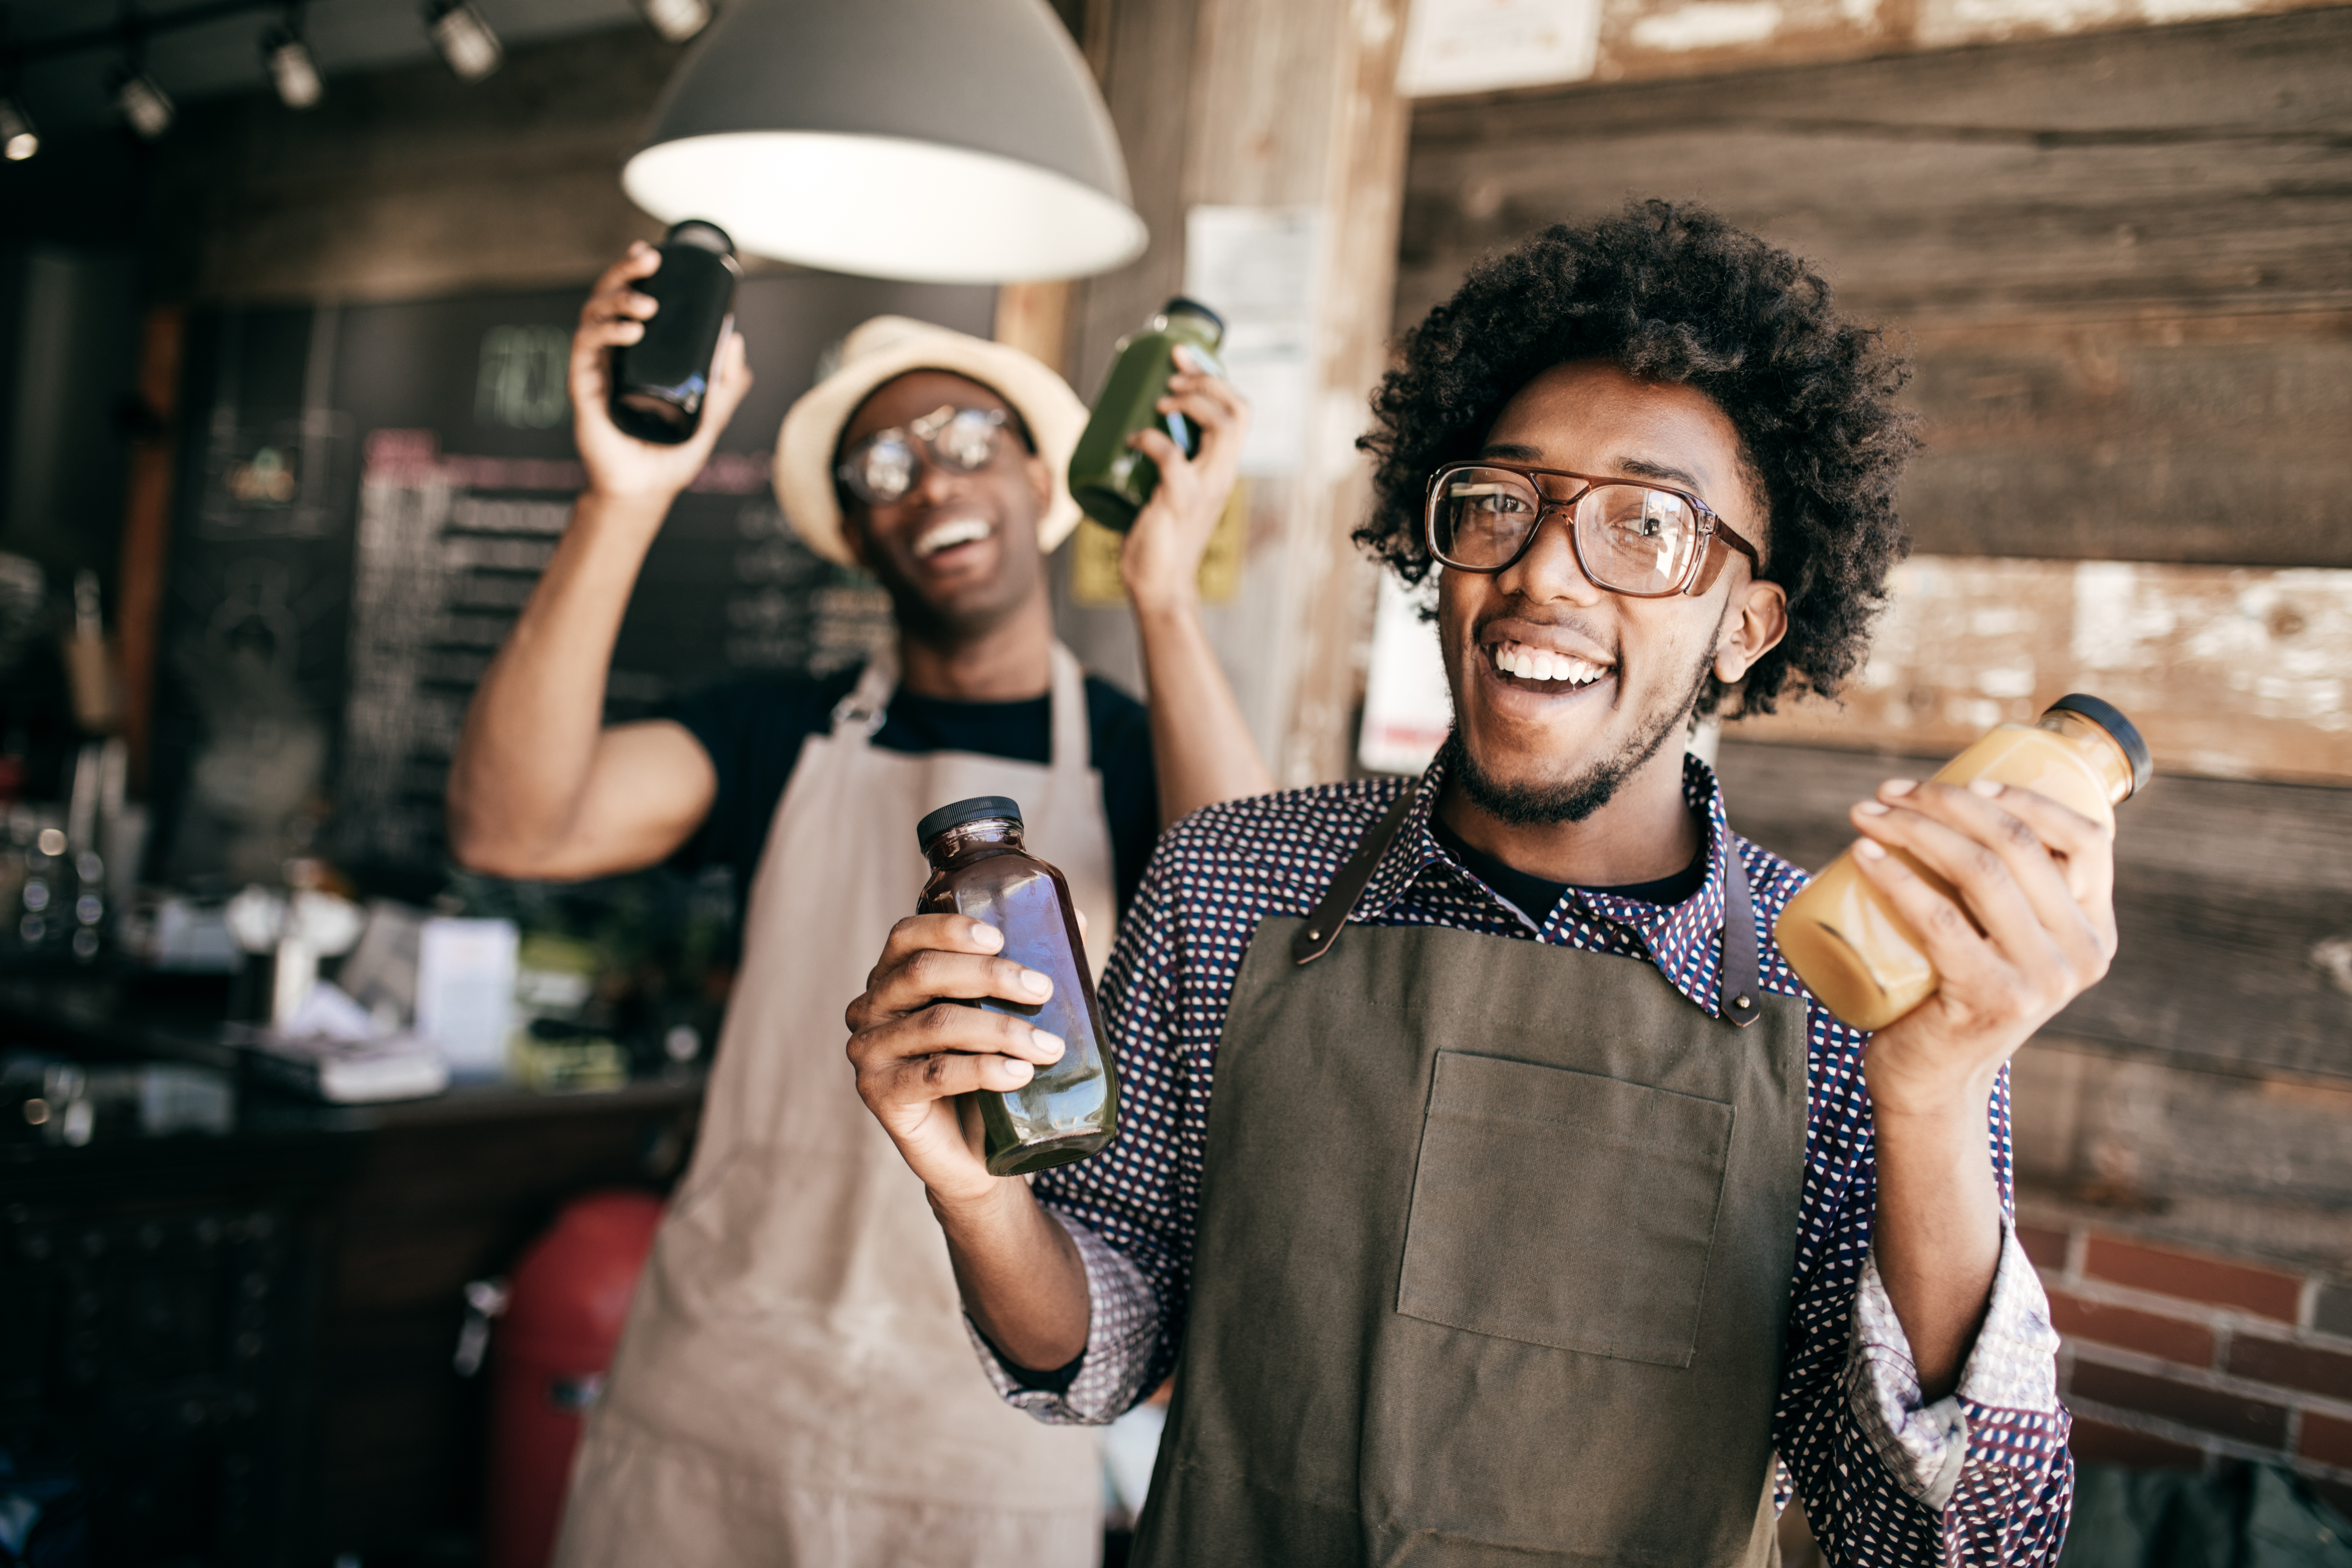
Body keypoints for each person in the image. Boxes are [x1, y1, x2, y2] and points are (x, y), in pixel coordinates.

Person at [846, 202, 2090, 1566]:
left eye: (1645, 524)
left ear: (1747, 624)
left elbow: (1947, 1545)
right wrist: (975, 1196)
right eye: (1502, 501)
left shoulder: (1853, 990)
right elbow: (1102, 1351)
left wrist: (1938, 1096)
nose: (1544, 566)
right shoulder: (1228, 878)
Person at [446, 242, 1273, 1565]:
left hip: (985, 1422)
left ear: (1035, 472)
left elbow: (1247, 933)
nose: (932, 477)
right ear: (854, 528)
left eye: (962, 435)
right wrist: (623, 494)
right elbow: (511, 821)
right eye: (882, 467)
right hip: (719, 1386)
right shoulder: (773, 730)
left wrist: (1164, 593)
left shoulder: (1129, 748)